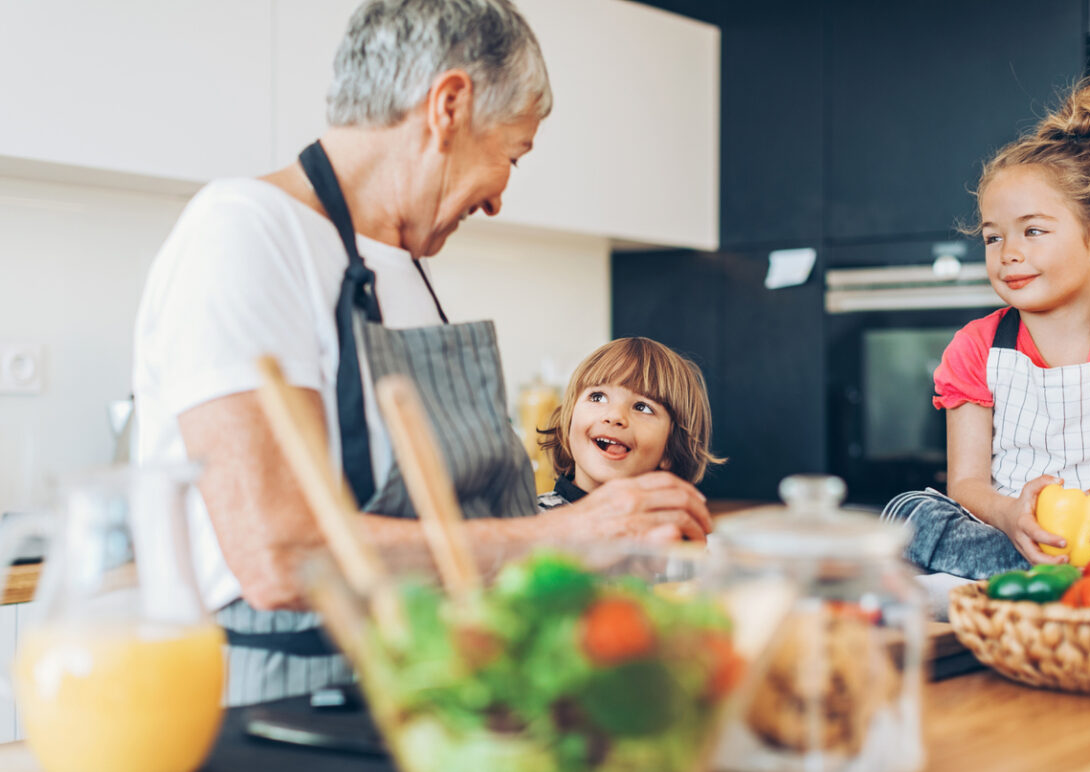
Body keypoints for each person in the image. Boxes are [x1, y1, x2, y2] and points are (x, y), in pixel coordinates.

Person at [133, 0, 712, 706]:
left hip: (423, 691)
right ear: (449, 106)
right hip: (283, 709)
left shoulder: (399, 267)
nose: (500, 197)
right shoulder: (245, 232)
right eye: (511, 154)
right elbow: (279, 556)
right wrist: (571, 533)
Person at [882, 76, 1090, 580]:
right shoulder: (974, 348)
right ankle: (1061, 573)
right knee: (906, 512)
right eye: (993, 237)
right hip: (1011, 540)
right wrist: (1010, 516)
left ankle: (1064, 574)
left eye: (1033, 231)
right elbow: (966, 482)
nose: (1008, 252)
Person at [536, 337, 724, 509]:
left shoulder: (674, 533)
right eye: (598, 397)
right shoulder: (528, 522)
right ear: (568, 423)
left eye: (642, 407)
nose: (615, 416)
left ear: (670, 448)